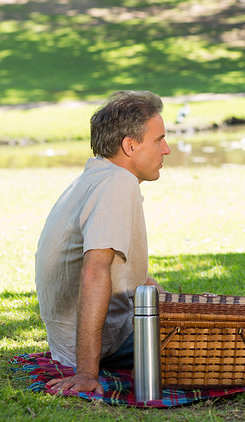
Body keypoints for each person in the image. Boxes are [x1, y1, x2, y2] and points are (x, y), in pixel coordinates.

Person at [35, 90, 171, 394]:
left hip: (71, 339)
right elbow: (94, 271)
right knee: (219, 343)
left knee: (202, 323)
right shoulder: (116, 184)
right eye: (159, 139)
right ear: (130, 145)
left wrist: (174, 306)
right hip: (102, 343)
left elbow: (126, 274)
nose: (167, 149)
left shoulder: (97, 175)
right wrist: (86, 373)